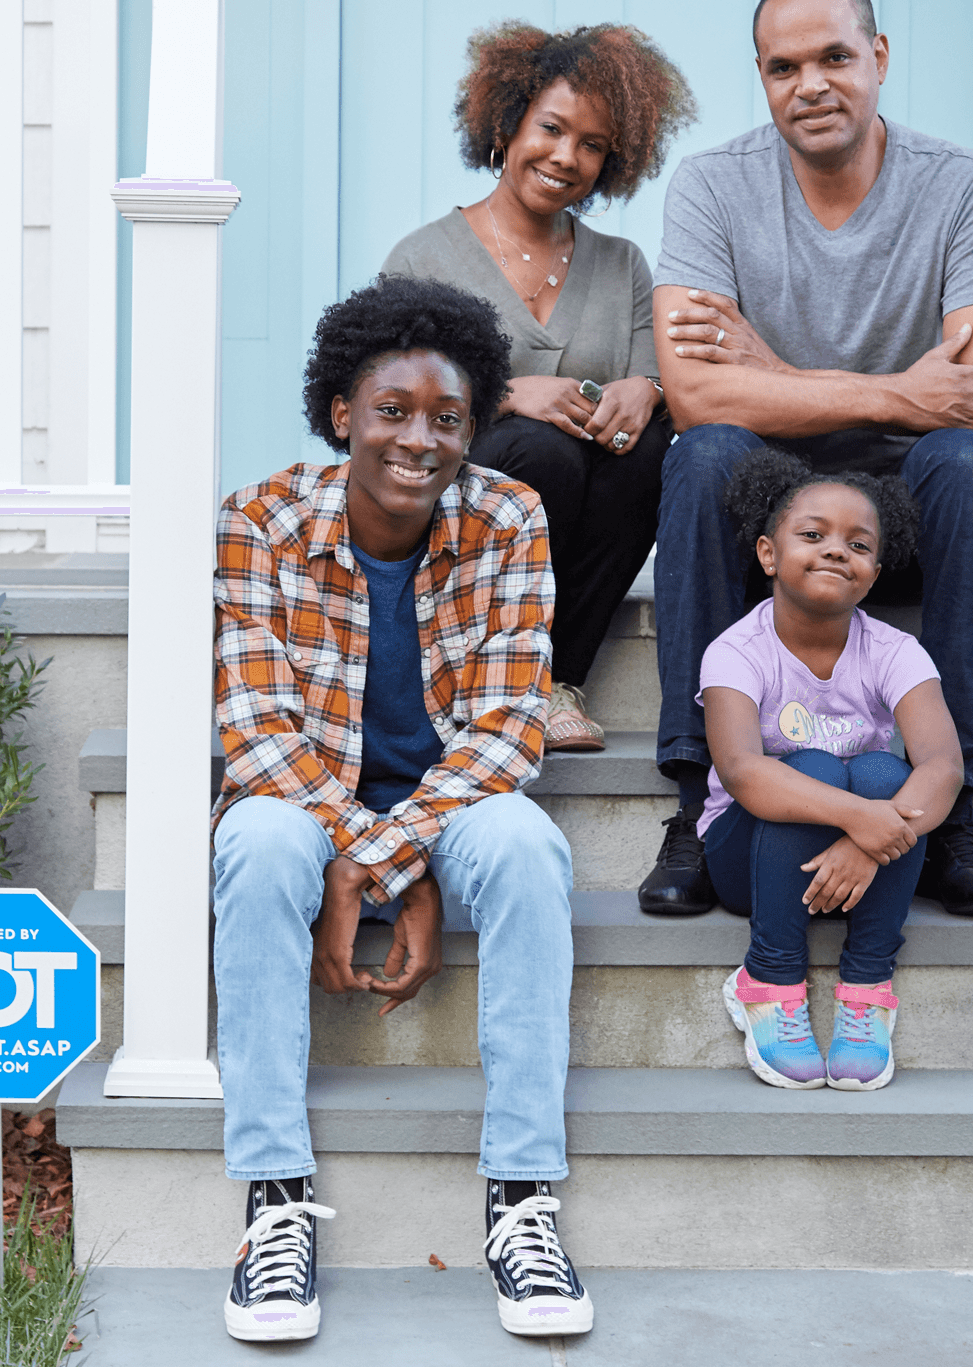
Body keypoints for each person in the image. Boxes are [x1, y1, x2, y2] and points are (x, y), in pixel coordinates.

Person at [210, 276, 592, 1344]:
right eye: (392, 412)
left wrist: (384, 866)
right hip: (300, 792)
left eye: (448, 418)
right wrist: (375, 862)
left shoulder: (509, 516)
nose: (420, 440)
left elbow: (510, 729)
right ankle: (274, 1201)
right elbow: (256, 733)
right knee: (255, 845)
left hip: (454, 798)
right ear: (342, 413)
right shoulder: (260, 521)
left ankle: (522, 1198)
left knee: (526, 848)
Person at [640, 0, 973, 919]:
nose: (809, 84)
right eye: (783, 67)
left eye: (833, 58)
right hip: (771, 488)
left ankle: (954, 803)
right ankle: (698, 800)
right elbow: (694, 398)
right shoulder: (712, 187)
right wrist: (903, 390)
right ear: (763, 78)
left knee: (970, 464)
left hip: (904, 492)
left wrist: (767, 371)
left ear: (879, 58)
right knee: (700, 458)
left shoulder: (968, 188)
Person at [383, 21, 696, 750]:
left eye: (593, 145)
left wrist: (647, 390)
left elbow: (663, 369)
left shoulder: (622, 265)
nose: (568, 157)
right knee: (539, 451)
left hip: (592, 508)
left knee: (653, 453)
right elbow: (388, 401)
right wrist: (504, 393)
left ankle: (559, 682)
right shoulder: (425, 257)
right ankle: (496, 669)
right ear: (505, 126)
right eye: (552, 129)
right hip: (461, 513)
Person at [704, 448, 962, 1090]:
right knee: (813, 765)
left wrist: (867, 844)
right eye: (813, 535)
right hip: (750, 864)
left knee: (883, 771)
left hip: (862, 867)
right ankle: (768, 976)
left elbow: (943, 765)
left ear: (874, 573)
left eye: (858, 544)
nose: (835, 551)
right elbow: (742, 772)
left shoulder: (894, 651)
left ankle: (867, 989)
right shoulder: (737, 651)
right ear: (769, 554)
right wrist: (863, 823)